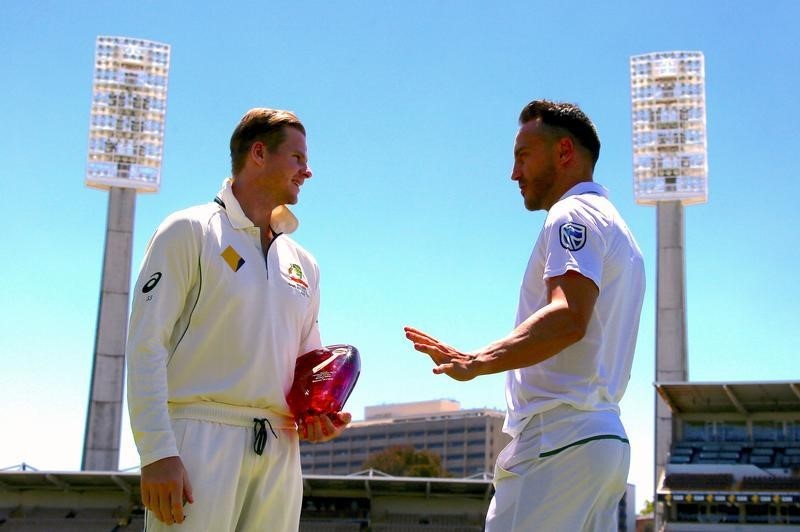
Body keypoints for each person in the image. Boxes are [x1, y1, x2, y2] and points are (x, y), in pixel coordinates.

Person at [405, 100, 645, 531]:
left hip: (558, 440)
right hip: (602, 439)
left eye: (522, 157)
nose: (514, 173)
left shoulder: (572, 213)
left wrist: (475, 361)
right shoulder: (622, 231)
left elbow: (569, 316)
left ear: (564, 152)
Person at [126, 108, 350, 531]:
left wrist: (318, 414)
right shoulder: (189, 230)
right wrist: (156, 452)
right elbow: (145, 345)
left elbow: (308, 366)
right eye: (298, 159)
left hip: (281, 448)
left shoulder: (304, 264)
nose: (308, 171)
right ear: (259, 154)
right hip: (201, 436)